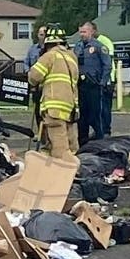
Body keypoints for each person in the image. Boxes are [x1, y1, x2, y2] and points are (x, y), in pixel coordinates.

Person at [27, 24, 80, 164]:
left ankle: (62, 176)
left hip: (53, 107)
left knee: (59, 148)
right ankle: (76, 170)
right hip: (70, 107)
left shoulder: (49, 56)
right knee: (71, 144)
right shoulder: (72, 58)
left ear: (48, 43)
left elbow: (34, 77)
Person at [73, 21, 111, 145]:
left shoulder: (99, 46)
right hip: (81, 86)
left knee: (95, 116)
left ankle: (100, 142)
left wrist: (102, 83)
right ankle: (82, 143)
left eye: (84, 32)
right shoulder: (77, 47)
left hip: (94, 85)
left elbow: (107, 65)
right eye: (80, 32)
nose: (82, 34)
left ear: (91, 31)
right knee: (82, 118)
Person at [92, 26, 116, 137]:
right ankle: (99, 130)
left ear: (95, 30)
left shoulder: (105, 41)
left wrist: (106, 80)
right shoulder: (89, 43)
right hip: (96, 80)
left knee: (105, 107)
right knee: (97, 107)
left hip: (107, 79)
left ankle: (106, 130)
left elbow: (108, 62)